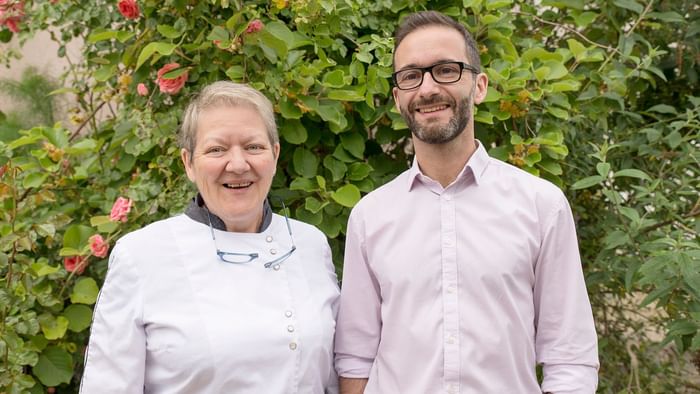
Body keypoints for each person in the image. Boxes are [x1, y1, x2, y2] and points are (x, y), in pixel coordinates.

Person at [334, 11, 599, 394]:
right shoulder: (370, 216)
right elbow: (356, 357)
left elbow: (569, 356)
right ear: (397, 98)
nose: (426, 89)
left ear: (479, 87)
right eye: (410, 76)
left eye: (445, 70)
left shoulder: (542, 206)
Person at [80, 81, 340, 393]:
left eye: (253, 147)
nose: (238, 164)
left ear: (275, 154)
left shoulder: (311, 244)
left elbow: (335, 376)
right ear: (188, 163)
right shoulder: (141, 255)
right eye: (216, 149)